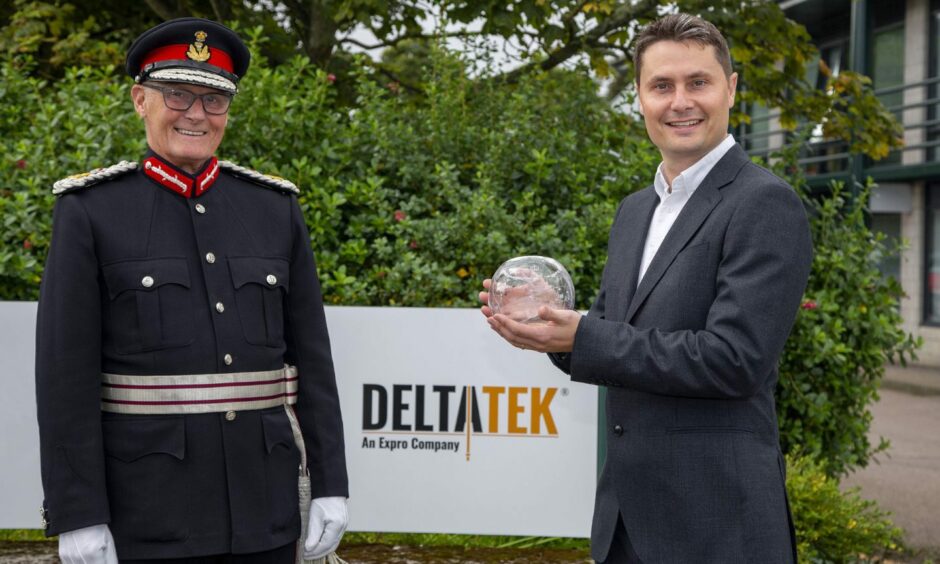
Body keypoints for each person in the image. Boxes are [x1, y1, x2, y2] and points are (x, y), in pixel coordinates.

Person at [481, 13, 812, 564]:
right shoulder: (635, 211)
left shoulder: (763, 204)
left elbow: (733, 360)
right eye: (661, 85)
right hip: (627, 526)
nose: (680, 101)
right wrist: (550, 325)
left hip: (718, 529)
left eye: (698, 82)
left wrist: (583, 335)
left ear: (731, 88)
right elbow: (615, 342)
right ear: (638, 97)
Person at [35, 17, 348, 563]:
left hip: (266, 513)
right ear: (140, 99)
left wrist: (330, 483)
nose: (197, 114)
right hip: (149, 516)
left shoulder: (274, 210)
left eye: (215, 100)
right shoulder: (91, 212)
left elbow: (312, 365)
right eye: (177, 94)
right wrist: (78, 512)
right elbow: (65, 381)